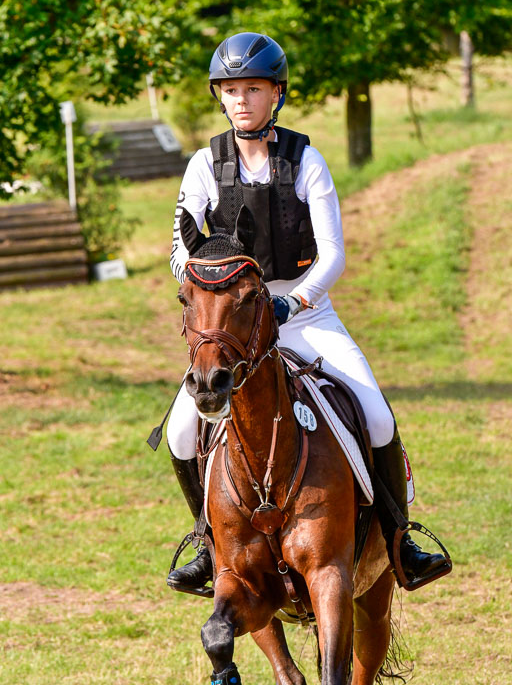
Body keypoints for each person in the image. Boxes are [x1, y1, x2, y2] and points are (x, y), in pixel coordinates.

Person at [166, 31, 448, 592]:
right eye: (230, 89)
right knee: (179, 432)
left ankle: (400, 538)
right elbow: (180, 247)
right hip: (234, 322)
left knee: (376, 414)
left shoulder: (306, 159)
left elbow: (334, 253)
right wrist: (206, 277)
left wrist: (293, 299)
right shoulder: (203, 163)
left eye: (253, 88)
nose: (241, 99)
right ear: (218, 97)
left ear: (277, 94)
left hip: (305, 313)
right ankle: (206, 539)